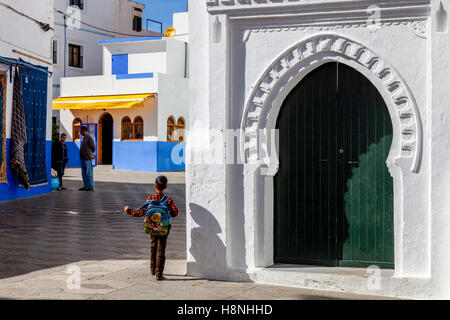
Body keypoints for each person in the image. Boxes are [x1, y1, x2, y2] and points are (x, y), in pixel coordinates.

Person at [123, 176, 179, 281]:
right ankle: (159, 273)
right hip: (164, 228)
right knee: (161, 248)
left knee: (153, 245)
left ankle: (152, 268)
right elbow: (175, 213)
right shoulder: (168, 200)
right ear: (166, 187)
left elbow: (140, 212)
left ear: (155, 186)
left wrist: (128, 210)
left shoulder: (150, 199)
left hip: (152, 226)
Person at [79, 125, 96, 191]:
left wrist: (89, 153)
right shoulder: (84, 138)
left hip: (87, 158)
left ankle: (91, 187)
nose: (80, 132)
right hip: (83, 158)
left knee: (88, 173)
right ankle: (86, 186)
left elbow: (93, 147)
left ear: (84, 131)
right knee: (83, 173)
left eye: (81, 131)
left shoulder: (89, 137)